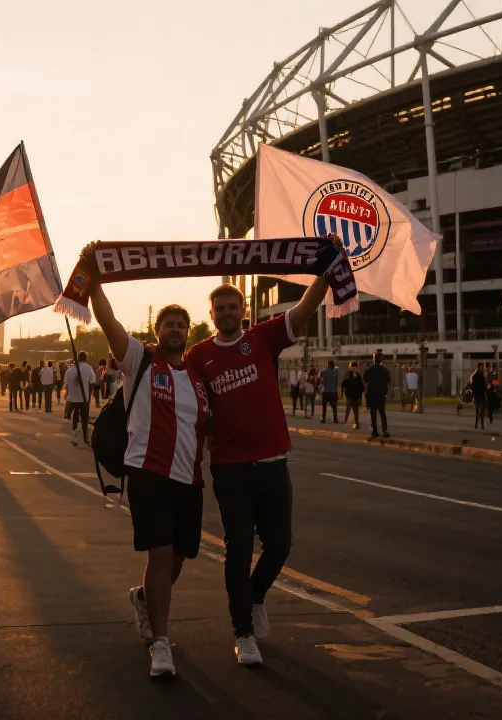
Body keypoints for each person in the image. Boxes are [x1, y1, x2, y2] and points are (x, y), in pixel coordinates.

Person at [184, 260, 332, 667]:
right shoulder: (199, 356)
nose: (227, 313)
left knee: (280, 545)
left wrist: (326, 268)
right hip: (229, 468)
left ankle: (255, 596)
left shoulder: (262, 338)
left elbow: (304, 308)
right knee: (238, 550)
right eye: (221, 308)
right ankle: (243, 632)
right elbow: (187, 408)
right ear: (211, 315)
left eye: (233, 307)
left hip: (271, 464)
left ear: (242, 312)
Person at [88, 273, 209, 679]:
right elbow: (109, 324)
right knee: (159, 556)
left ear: (188, 333)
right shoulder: (141, 361)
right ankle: (161, 644)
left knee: (178, 558)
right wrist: (94, 282)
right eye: (168, 324)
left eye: (181, 324)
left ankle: (144, 598)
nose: (175, 329)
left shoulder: (196, 379)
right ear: (157, 331)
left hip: (189, 482)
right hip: (149, 474)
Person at [64, 351, 97, 446]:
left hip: (73, 398)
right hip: (84, 398)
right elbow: (93, 382)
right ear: (85, 358)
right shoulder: (89, 369)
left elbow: (66, 384)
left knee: (75, 416)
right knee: (85, 418)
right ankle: (85, 438)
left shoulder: (70, 370)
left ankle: (74, 437)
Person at [363, 353, 391, 438]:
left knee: (373, 414)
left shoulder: (370, 370)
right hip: (381, 395)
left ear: (373, 359)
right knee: (382, 413)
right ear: (381, 360)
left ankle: (374, 431)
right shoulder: (385, 370)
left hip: (372, 395)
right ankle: (385, 431)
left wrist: (366, 368)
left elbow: (365, 379)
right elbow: (388, 381)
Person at [341, 362, 364, 429]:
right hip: (350, 395)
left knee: (354, 409)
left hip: (355, 395)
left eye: (355, 367)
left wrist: (360, 393)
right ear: (350, 367)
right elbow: (344, 383)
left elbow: (361, 385)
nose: (354, 368)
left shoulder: (358, 375)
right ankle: (348, 422)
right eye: (352, 367)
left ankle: (356, 423)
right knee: (350, 409)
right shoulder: (347, 374)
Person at [470, 364, 488, 430]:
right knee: (478, 411)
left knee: (481, 412)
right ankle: (477, 424)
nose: (481, 369)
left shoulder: (480, 376)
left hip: (480, 396)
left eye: (481, 368)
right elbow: (473, 386)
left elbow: (484, 385)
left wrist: (485, 390)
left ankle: (480, 425)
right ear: (478, 368)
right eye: (480, 368)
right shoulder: (476, 376)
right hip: (478, 396)